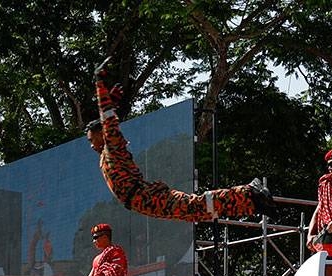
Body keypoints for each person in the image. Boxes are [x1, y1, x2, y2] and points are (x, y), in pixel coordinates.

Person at [89, 67, 276, 224]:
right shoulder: (107, 152)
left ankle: (249, 192)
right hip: (142, 201)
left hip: (145, 197)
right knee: (196, 212)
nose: (91, 145)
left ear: (101, 134)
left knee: (195, 206)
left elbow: (108, 121)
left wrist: (101, 88)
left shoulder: (111, 148)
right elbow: (107, 119)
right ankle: (251, 202)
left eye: (92, 139)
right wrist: (111, 101)